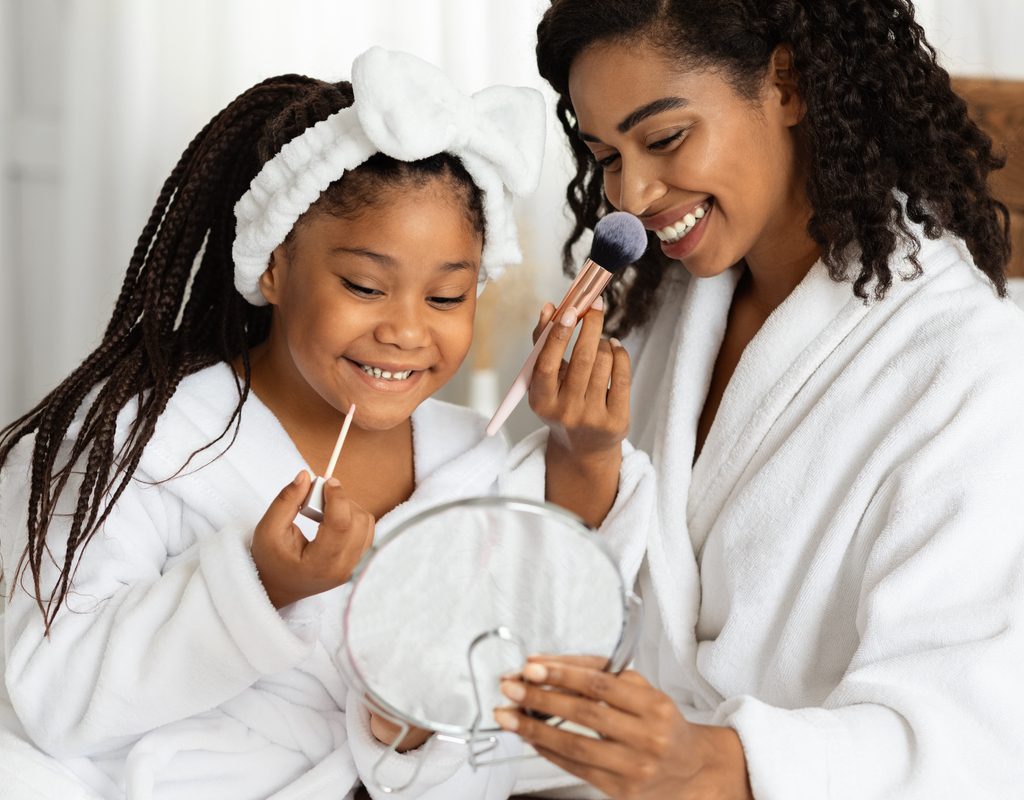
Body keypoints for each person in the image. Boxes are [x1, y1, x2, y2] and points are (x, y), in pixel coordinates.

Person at [0, 46, 652, 800]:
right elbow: (55, 694)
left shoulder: (468, 461)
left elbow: (548, 652)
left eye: (447, 297)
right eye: (365, 286)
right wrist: (258, 588)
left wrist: (411, 721)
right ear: (273, 267)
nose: (406, 331)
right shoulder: (150, 442)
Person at [492, 2, 1024, 799]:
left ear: (786, 86)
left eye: (665, 138)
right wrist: (581, 457)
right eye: (606, 157)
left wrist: (718, 764)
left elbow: (972, 737)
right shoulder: (652, 318)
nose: (633, 194)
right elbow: (547, 609)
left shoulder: (972, 369)